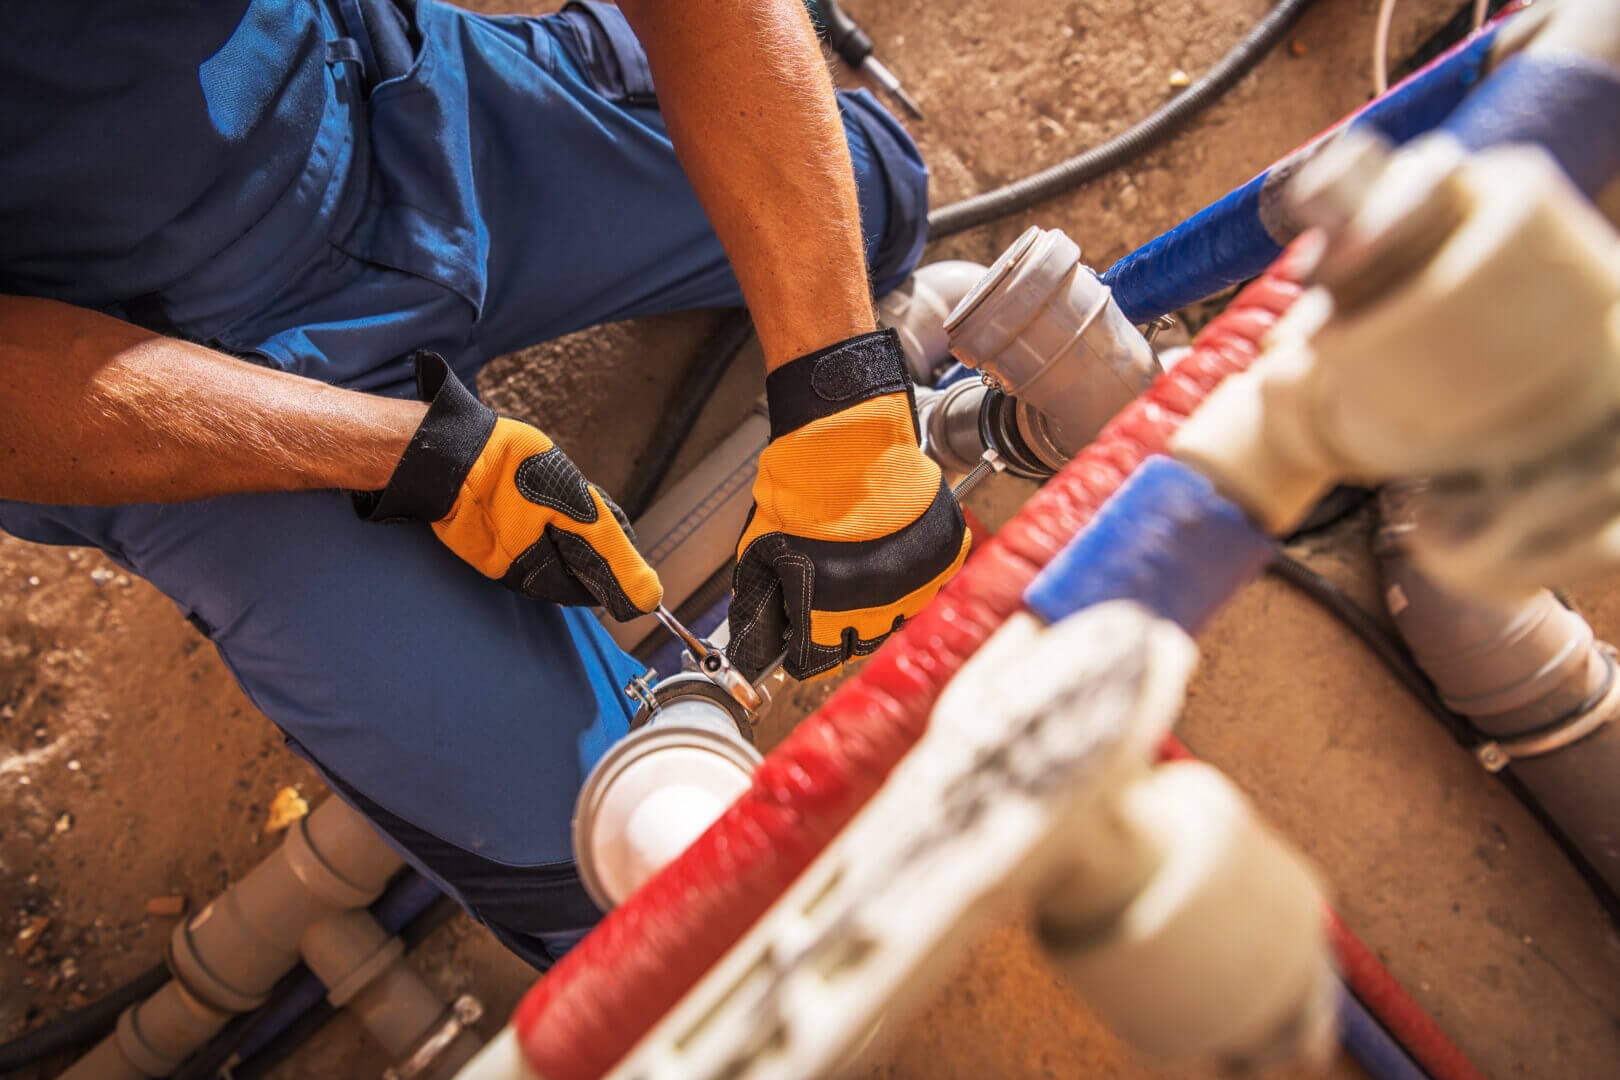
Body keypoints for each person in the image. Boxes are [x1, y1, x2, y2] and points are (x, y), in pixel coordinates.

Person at [0, 0, 967, 967]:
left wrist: (843, 388)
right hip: (136, 359)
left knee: (876, 196)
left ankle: (580, 64)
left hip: (370, 107)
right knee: (617, 892)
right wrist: (409, 456)